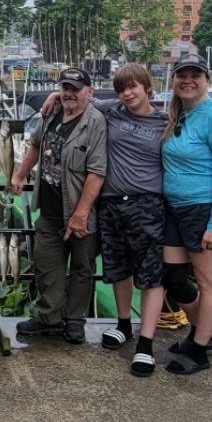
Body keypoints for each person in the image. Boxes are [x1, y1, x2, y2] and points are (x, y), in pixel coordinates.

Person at [41, 64, 168, 375]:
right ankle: (124, 324)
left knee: (150, 275)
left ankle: (146, 343)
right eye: (122, 88)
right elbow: (80, 97)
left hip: (147, 203)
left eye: (133, 87)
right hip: (111, 204)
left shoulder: (166, 121)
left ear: (147, 88)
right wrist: (54, 96)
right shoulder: (112, 110)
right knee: (118, 269)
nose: (127, 93)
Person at [10, 66, 107, 344]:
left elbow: (97, 171)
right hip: (50, 208)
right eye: (65, 88)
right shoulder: (51, 113)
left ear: (89, 92)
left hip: (80, 210)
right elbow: (35, 145)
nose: (69, 93)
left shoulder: (95, 121)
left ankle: (74, 321)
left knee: (82, 267)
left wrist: (81, 213)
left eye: (76, 89)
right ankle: (48, 318)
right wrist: (19, 174)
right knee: (46, 265)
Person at [161, 53, 212, 375]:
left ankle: (200, 348)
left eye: (195, 75)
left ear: (207, 80)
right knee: (173, 278)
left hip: (203, 209)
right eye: (182, 75)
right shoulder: (178, 113)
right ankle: (203, 333)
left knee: (208, 281)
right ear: (174, 80)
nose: (188, 80)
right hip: (174, 209)